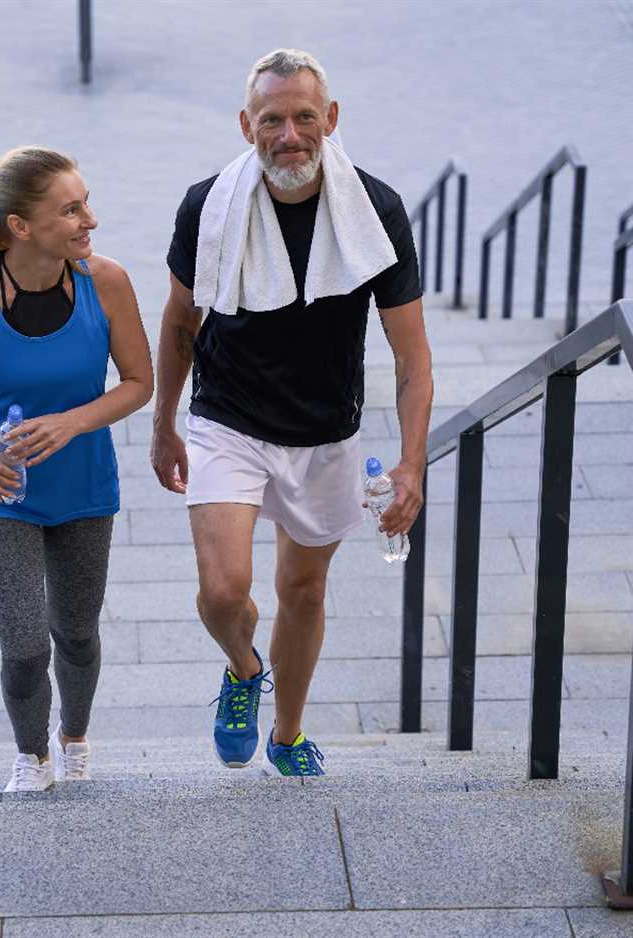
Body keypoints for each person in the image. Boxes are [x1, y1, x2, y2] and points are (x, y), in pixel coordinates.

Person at [150, 49, 433, 776]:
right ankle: (245, 671)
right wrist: (163, 425)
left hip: (325, 431)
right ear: (247, 126)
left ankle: (287, 733)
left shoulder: (376, 210)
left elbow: (411, 356)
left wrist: (410, 462)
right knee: (222, 592)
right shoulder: (207, 203)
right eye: (271, 119)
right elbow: (181, 322)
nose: (289, 135)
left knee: (301, 592)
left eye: (304, 117)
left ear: (330, 119)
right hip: (228, 418)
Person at [0, 146, 153, 792]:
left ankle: (74, 736)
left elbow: (140, 382)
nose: (90, 221)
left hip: (83, 487)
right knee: (25, 645)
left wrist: (71, 423)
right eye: (71, 210)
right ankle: (32, 756)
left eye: (86, 204)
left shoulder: (105, 284)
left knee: (76, 634)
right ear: (21, 227)